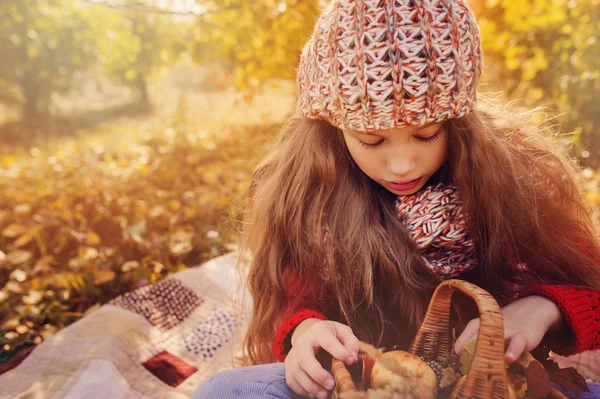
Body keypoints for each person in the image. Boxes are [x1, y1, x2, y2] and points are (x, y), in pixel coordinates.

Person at [192, 0, 600, 398]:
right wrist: (306, 332)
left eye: (426, 134)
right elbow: (293, 300)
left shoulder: (514, 181)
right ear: (335, 130)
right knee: (226, 390)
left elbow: (589, 284)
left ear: (459, 121)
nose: (402, 164)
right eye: (372, 140)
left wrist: (540, 308)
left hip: (491, 383)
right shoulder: (314, 197)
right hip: (362, 381)